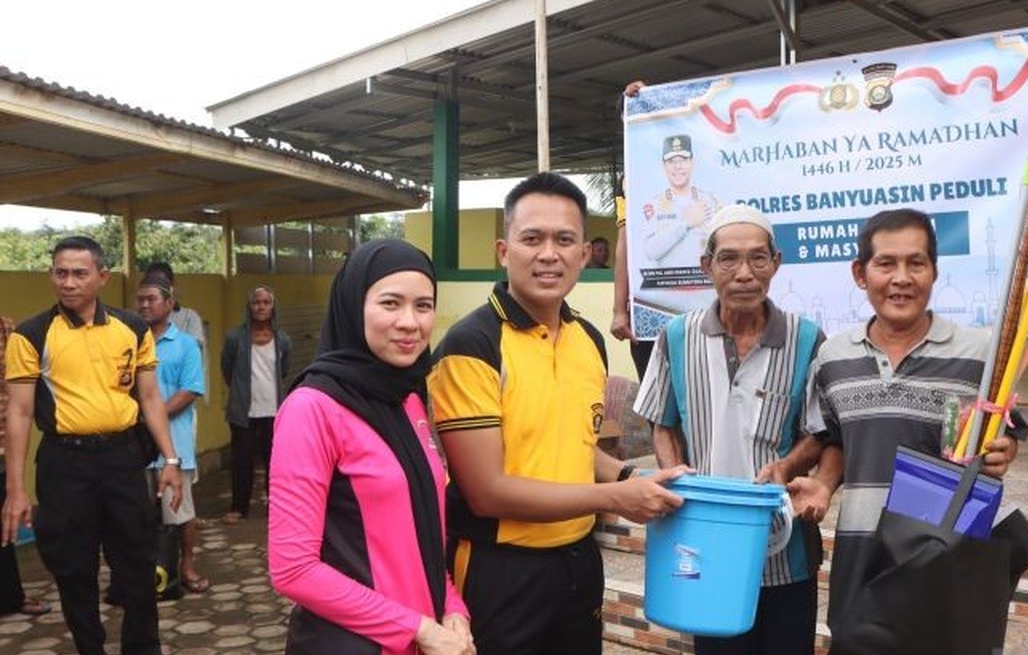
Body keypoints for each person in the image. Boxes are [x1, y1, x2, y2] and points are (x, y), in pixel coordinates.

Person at [428, 172, 687, 655]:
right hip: (499, 568)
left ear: (585, 254)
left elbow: (575, 445)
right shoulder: (472, 345)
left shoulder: (587, 340)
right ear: (504, 251)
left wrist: (633, 475)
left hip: (577, 563)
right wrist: (616, 496)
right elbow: (487, 492)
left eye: (565, 240)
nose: (549, 253)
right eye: (533, 238)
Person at [785, 210, 1021, 655]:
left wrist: (1004, 451)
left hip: (944, 557)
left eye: (916, 263)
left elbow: (1006, 433)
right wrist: (823, 483)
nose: (901, 278)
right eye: (886, 264)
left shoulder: (981, 356)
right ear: (860, 273)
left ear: (935, 271)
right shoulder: (833, 358)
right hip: (862, 555)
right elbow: (834, 438)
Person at [633, 204, 826, 655]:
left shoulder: (806, 338)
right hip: (704, 544)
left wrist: (788, 464)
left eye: (758, 258)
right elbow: (663, 423)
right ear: (707, 266)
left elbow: (818, 432)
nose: (744, 273)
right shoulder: (676, 336)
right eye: (729, 259)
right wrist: (680, 480)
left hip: (786, 552)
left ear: (776, 263)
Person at [270, 239, 473, 655]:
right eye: (390, 303)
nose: (410, 322)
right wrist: (420, 628)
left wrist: (453, 611)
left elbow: (422, 540)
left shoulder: (409, 399)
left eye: (423, 305)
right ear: (353, 305)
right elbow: (293, 569)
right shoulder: (312, 408)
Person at [2, 236, 183, 655]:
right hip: (65, 464)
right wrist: (15, 489)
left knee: (137, 566)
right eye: (60, 272)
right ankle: (90, 647)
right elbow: (21, 413)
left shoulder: (132, 329)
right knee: (73, 570)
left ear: (102, 277)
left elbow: (151, 398)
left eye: (79, 273)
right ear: (52, 275)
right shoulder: (31, 335)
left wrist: (170, 459)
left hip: (122, 458)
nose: (68, 282)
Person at [135, 275, 208, 594]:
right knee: (140, 513)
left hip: (174, 446)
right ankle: (149, 571)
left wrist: (151, 417)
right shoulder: (131, 340)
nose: (144, 305)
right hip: (136, 447)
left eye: (151, 298)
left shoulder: (186, 344)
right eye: (140, 299)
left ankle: (186, 565)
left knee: (180, 512)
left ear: (169, 302)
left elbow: (190, 390)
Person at [220, 285, 291, 523]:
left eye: (266, 302)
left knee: (276, 463)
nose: (261, 307)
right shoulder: (235, 337)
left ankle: (277, 508)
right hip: (243, 412)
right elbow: (227, 370)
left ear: (273, 307)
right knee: (242, 462)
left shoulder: (282, 339)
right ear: (249, 307)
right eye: (256, 303)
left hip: (275, 412)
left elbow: (284, 371)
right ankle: (239, 508)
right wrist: (240, 393)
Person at [0, 315, 51, 618]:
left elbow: (19, 392)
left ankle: (10, 597)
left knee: (4, 527)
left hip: (3, 441)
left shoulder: (9, 329)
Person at [611, 81, 656, 379]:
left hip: (703, 310)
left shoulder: (699, 162)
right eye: (631, 118)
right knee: (657, 409)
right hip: (648, 308)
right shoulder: (630, 179)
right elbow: (625, 242)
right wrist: (619, 310)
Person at [640, 133, 723, 266]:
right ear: (664, 166)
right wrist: (684, 224)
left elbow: (723, 243)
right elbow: (651, 251)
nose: (677, 166)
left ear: (692, 162)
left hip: (707, 283)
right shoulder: (653, 205)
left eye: (683, 160)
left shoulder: (710, 201)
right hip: (668, 284)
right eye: (671, 161)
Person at [142, 262, 206, 352]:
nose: (157, 288)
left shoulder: (190, 317)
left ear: (172, 286)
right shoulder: (138, 319)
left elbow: (193, 350)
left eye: (162, 283)